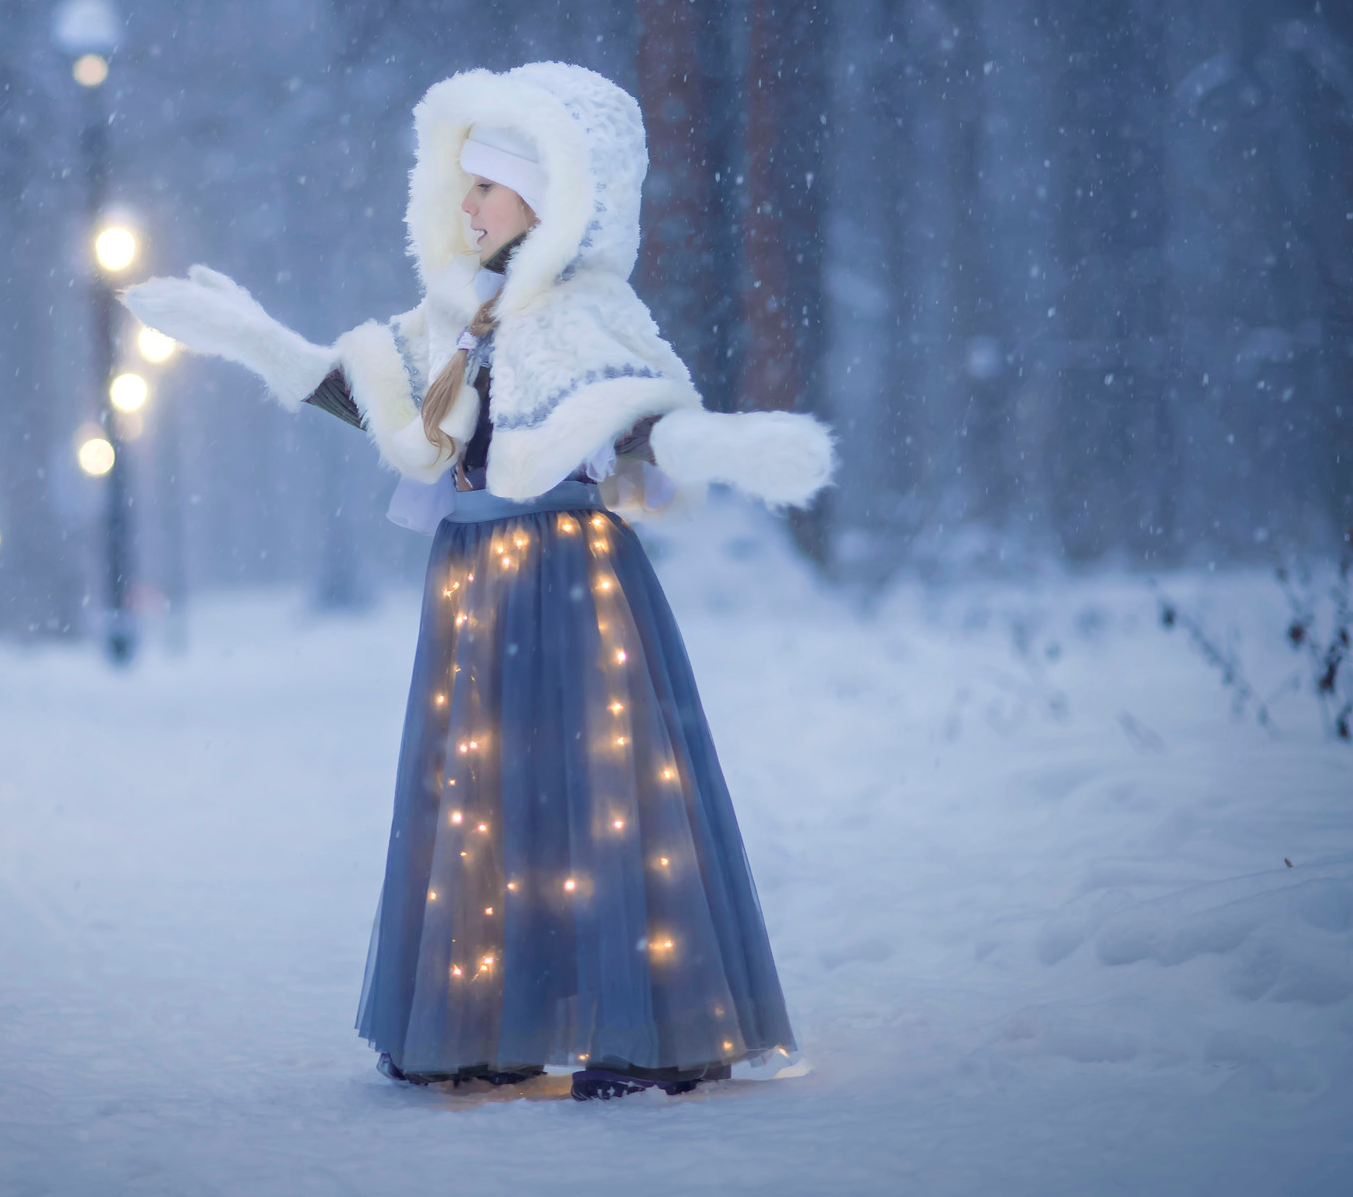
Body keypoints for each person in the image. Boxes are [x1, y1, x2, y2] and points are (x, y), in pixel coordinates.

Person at [123, 61, 831, 1099]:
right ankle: (487, 1015)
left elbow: (638, 419)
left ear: (550, 196)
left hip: (574, 576)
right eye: (462, 186)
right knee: (486, 800)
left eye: (487, 186)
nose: (467, 206)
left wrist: (721, 447)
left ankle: (653, 1025)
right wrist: (255, 341)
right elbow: (387, 405)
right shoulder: (458, 319)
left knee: (602, 794)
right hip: (474, 577)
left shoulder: (591, 312)